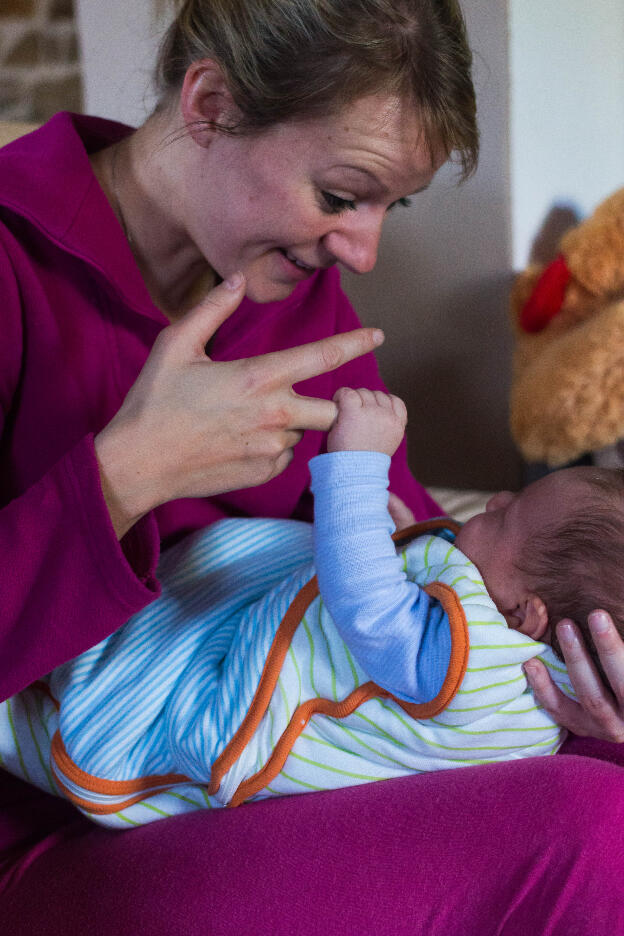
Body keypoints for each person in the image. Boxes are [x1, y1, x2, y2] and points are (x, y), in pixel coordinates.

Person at [0, 0, 623, 933]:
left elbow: (425, 561)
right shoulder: (12, 259)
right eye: (340, 194)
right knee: (594, 826)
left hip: (254, 782)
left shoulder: (303, 294)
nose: (363, 252)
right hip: (61, 815)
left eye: (389, 204)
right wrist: (124, 476)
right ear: (209, 102)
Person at [6, 389, 606, 823]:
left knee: (74, 701)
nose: (495, 498)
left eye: (507, 516)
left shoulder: (474, 663)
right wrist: (404, 539)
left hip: (229, 723)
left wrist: (356, 467)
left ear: (525, 616)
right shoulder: (525, 674)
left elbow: (369, 606)